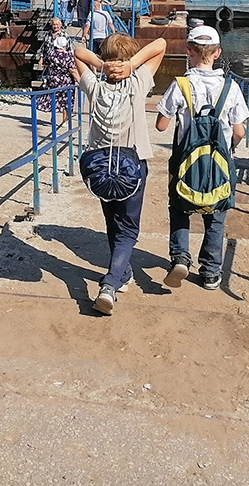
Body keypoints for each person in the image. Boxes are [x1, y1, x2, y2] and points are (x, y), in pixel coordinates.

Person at [74, 35, 167, 315]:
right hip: (131, 165)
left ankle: (122, 273)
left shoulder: (95, 88)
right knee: (128, 229)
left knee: (113, 222)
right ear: (129, 60)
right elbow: (160, 44)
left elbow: (78, 53)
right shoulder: (138, 83)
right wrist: (132, 65)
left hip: (100, 167)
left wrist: (102, 65)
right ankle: (110, 284)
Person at [154, 25, 249, 291]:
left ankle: (180, 258)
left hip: (185, 161)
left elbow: (161, 125)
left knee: (180, 209)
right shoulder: (231, 87)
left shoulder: (181, 84)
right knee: (216, 215)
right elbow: (240, 131)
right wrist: (228, 145)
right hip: (221, 161)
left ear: (188, 51)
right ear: (217, 53)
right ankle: (210, 273)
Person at [36, 17, 75, 115]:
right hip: (51, 64)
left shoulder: (64, 35)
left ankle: (63, 116)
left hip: (61, 64)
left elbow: (70, 49)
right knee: (53, 93)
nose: (55, 26)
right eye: (54, 24)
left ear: (61, 25)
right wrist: (41, 58)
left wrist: (68, 60)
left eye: (57, 24)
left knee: (63, 95)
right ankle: (55, 112)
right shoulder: (48, 34)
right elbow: (43, 47)